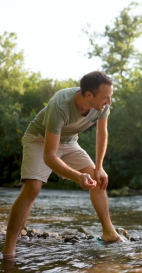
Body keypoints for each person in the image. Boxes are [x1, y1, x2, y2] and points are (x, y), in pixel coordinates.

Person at [1, 71, 122, 260]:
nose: (109, 102)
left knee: (98, 179)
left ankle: (109, 233)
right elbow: (50, 156)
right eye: (105, 98)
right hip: (39, 139)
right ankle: (8, 251)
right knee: (32, 187)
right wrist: (78, 177)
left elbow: (102, 134)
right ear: (88, 95)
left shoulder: (102, 106)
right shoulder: (60, 104)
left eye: (110, 97)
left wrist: (99, 167)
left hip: (70, 141)